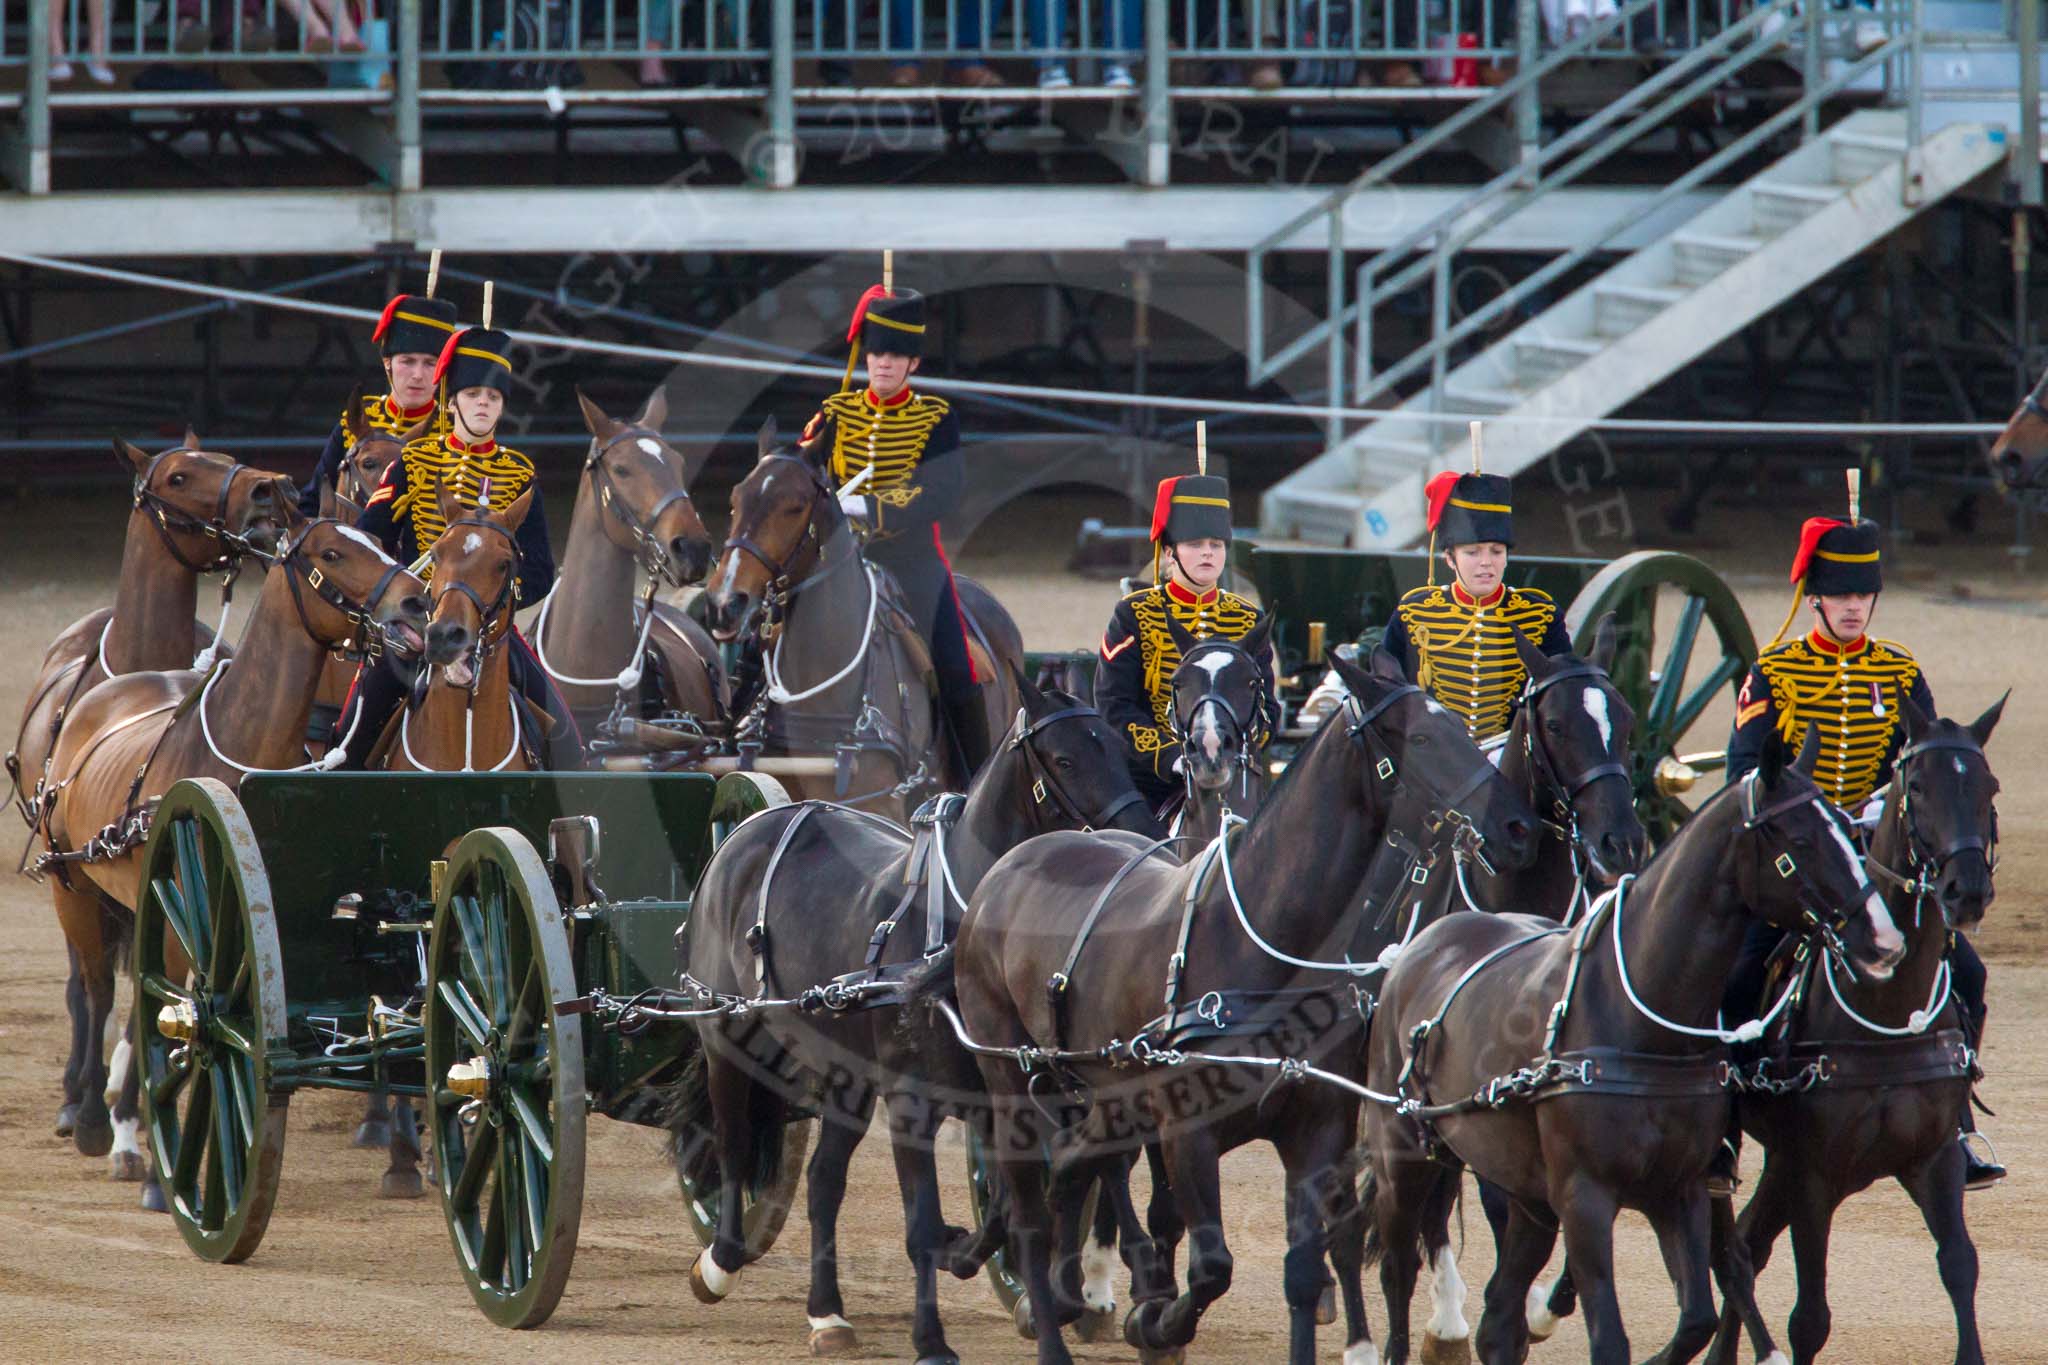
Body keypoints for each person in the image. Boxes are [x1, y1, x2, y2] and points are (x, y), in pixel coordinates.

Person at [1718, 511, 2002, 1191]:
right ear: (1816, 597)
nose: (1853, 607)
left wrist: (1882, 812)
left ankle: (1955, 1123)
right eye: (1841, 595)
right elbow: (1742, 774)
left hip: (1878, 855)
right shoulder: (1776, 671)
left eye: (1863, 596)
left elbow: (1925, 762)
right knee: (1735, 973)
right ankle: (1721, 1132)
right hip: (1799, 858)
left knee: (1967, 975)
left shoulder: (1898, 668)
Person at [347, 319, 577, 767]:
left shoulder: (520, 472)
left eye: (493, 398)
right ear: (452, 402)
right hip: (418, 624)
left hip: (492, 626)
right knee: (354, 724)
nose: (484, 405)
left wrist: (492, 604)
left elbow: (540, 571)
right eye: (474, 396)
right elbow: (371, 539)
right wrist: (401, 608)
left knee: (566, 736)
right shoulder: (414, 461)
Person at [798, 282, 991, 783]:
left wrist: (868, 506)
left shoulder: (935, 418)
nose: (883, 363)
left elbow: (942, 490)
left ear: (914, 365)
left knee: (953, 664)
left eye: (896, 356)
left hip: (909, 561)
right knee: (771, 622)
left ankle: (977, 778)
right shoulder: (834, 413)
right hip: (837, 557)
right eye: (877, 353)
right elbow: (800, 472)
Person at [1095, 467, 1277, 809]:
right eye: (1195, 544)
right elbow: (1113, 705)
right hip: (1149, 781)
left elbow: (1268, 709)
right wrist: (1171, 759)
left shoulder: (1248, 618)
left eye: (1216, 545)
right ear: (1169, 553)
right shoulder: (1134, 613)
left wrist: (1230, 754)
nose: (1208, 553)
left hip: (1233, 779)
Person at [1379, 468, 1570, 744]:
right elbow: (1386, 692)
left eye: (1496, 551)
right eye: (1472, 552)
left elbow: (1565, 695)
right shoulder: (1414, 613)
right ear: (1449, 558)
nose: (1486, 562)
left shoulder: (1540, 615)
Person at [298, 288, 457, 516]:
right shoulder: (357, 422)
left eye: (430, 363)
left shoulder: (455, 431)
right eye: (408, 361)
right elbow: (313, 500)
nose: (418, 374)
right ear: (387, 363)